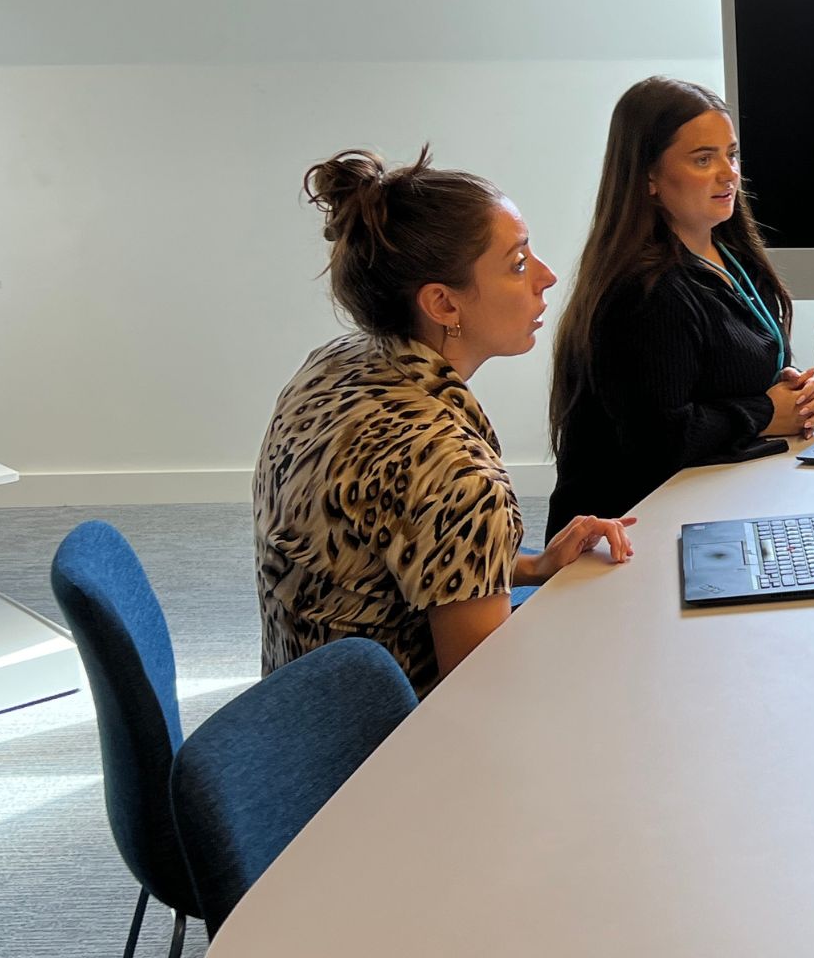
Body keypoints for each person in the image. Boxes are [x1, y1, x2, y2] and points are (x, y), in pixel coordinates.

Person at [256, 147, 635, 696]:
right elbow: (484, 698)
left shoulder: (334, 364)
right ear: (443, 303)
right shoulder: (455, 470)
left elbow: (389, 562)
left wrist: (529, 567)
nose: (548, 278)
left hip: (303, 725)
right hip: (387, 749)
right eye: (519, 263)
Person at [547, 78, 814, 538]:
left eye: (731, 155)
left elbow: (720, 375)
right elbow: (658, 442)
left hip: (713, 495)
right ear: (649, 178)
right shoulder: (645, 292)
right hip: (630, 532)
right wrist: (764, 411)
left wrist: (789, 393)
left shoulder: (732, 253)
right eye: (703, 159)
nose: (728, 173)